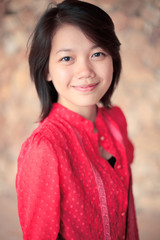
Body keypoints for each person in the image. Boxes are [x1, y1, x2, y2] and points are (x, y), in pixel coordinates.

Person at [16, 0, 139, 239]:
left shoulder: (116, 121)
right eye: (67, 58)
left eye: (97, 53)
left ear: (112, 58)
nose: (85, 71)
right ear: (47, 70)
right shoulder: (45, 148)